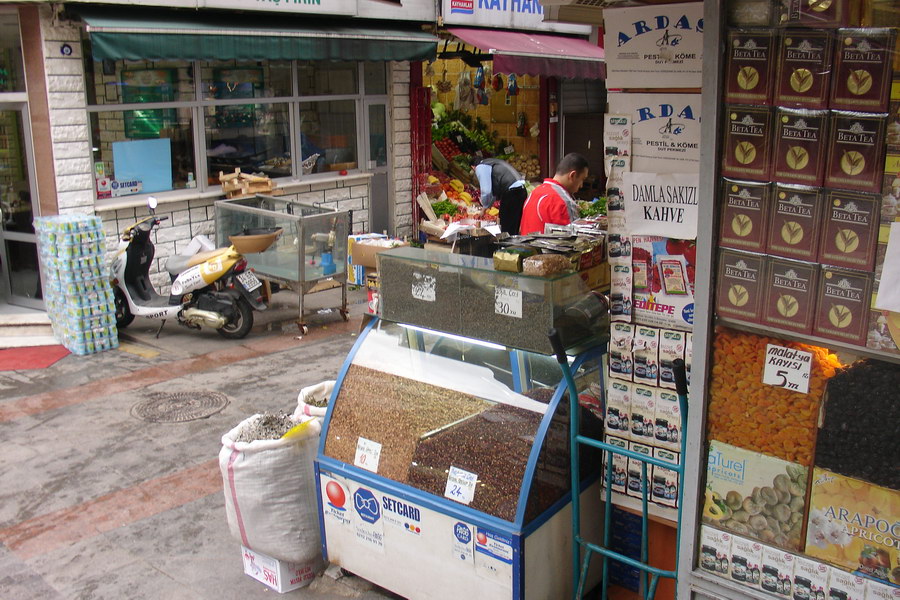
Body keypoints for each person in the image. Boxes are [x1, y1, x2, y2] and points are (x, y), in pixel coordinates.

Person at [519, 153, 590, 235]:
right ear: (572, 175)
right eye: (582, 179)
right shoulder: (563, 201)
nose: (581, 185)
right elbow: (572, 239)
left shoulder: (534, 192)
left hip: (528, 245)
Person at [471, 157, 527, 234]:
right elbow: (493, 194)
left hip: (511, 193)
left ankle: (505, 245)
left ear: (473, 167)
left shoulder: (481, 167)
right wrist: (484, 209)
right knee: (513, 226)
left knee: (505, 227)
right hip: (521, 190)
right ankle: (511, 245)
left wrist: (484, 204)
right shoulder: (493, 162)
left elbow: (486, 191)